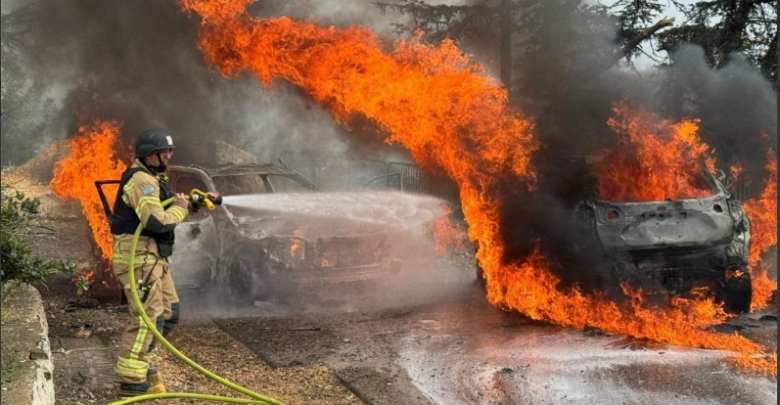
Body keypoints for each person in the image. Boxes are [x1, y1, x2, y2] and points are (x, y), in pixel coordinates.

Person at [110, 129, 217, 396]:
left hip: (154, 258)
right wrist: (180, 207)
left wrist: (194, 203)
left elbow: (166, 210)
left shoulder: (153, 178)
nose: (168, 155)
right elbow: (156, 221)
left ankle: (141, 362)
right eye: (163, 151)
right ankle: (131, 379)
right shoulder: (141, 181)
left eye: (169, 151)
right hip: (139, 261)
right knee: (147, 319)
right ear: (149, 153)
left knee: (169, 314)